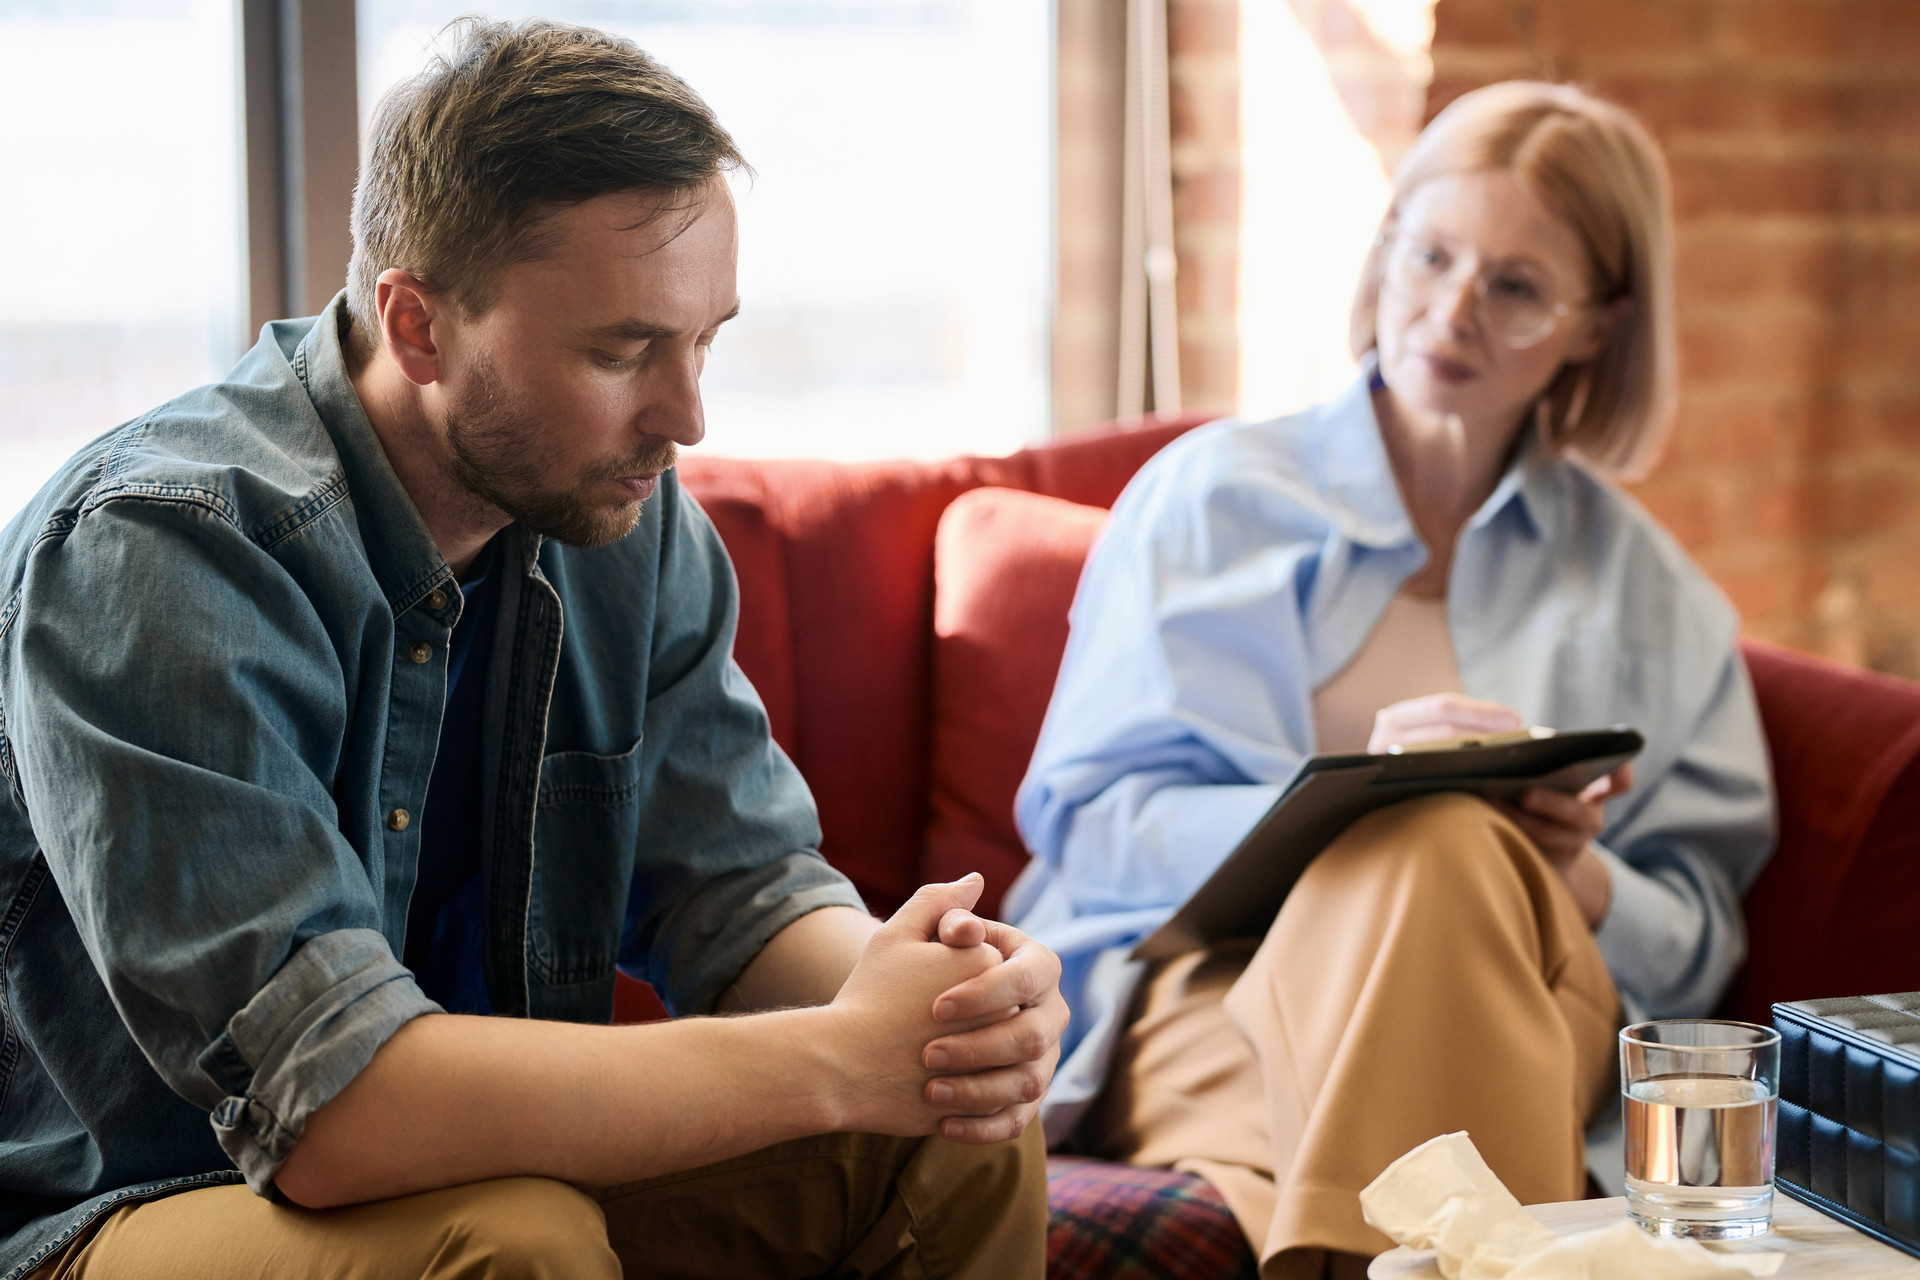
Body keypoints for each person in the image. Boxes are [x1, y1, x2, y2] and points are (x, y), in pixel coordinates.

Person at [0, 19, 1066, 1280]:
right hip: (122, 1210)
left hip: (476, 1164)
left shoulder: (615, 506)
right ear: (419, 328)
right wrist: (836, 1059)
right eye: (622, 351)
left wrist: (939, 1013)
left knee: (958, 1135)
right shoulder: (163, 551)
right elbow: (334, 1109)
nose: (686, 417)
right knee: (511, 1242)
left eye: (703, 339)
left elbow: (736, 890)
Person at [1007, 81, 1773, 1279]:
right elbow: (1097, 826)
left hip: (1528, 993)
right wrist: (1344, 801)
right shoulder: (1212, 498)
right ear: (1386, 254)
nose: (1450, 312)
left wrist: (1577, 876)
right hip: (1210, 992)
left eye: (1516, 287)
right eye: (1430, 257)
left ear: (1596, 325)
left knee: (1450, 849)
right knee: (1422, 829)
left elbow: (1703, 932)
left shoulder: (1648, 591)